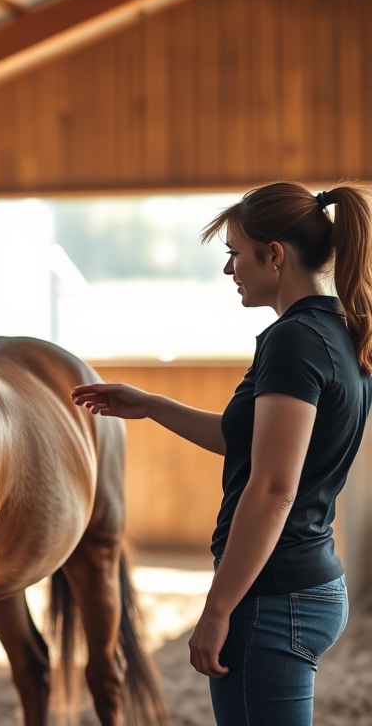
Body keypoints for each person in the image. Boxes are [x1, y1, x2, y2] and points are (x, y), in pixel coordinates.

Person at [71, 181, 372, 726]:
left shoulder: (293, 340)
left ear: (274, 254)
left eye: (235, 253)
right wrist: (153, 405)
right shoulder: (337, 331)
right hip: (312, 580)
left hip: (274, 597)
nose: (229, 269)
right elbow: (256, 447)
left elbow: (274, 489)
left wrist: (217, 608)